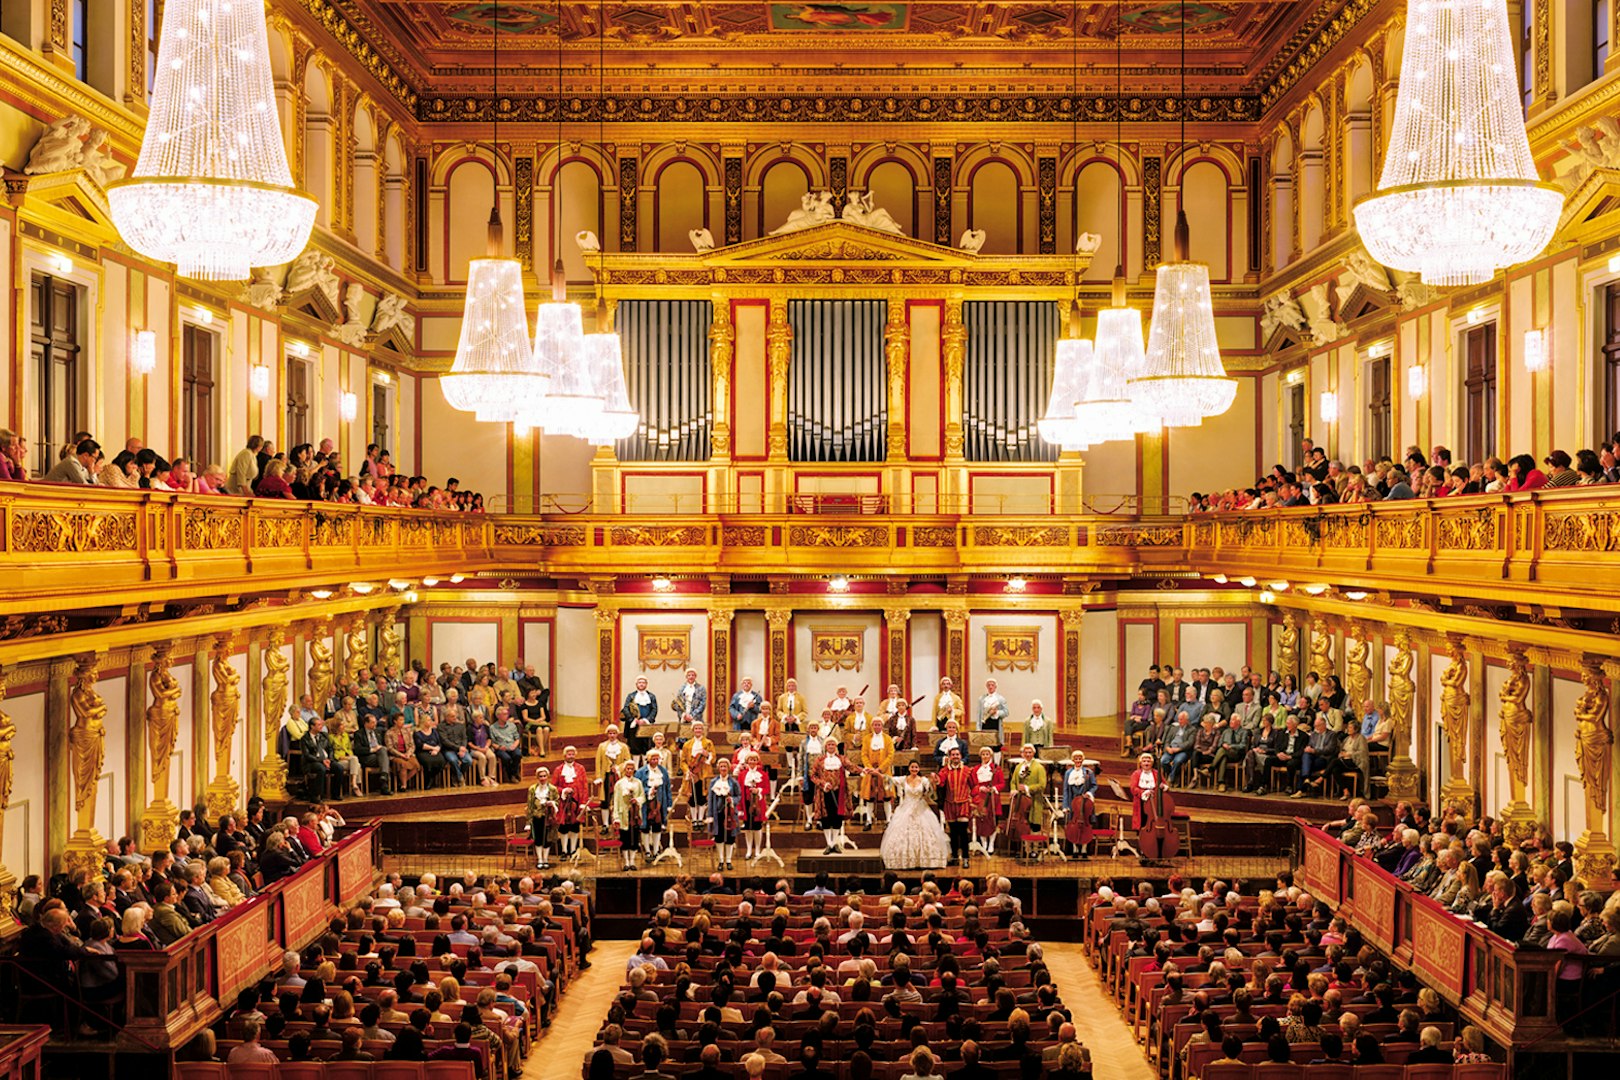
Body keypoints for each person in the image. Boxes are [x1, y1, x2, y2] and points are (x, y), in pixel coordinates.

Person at [882, 760, 951, 870]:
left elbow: (931, 790)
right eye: (912, 767)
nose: (914, 769)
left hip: (921, 807)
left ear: (919, 769)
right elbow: (889, 779)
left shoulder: (923, 780)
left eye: (916, 767)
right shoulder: (904, 779)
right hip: (906, 808)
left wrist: (933, 781)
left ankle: (926, 860)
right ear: (909, 768)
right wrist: (877, 773)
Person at [811, 734, 853, 854]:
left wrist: (864, 770)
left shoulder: (842, 759)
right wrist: (823, 784)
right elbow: (813, 776)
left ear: (836, 746)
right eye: (829, 744)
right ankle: (828, 844)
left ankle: (834, 843)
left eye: (833, 744)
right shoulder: (820, 760)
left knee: (837, 817)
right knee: (826, 818)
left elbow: (852, 767)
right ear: (826, 746)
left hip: (839, 792)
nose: (831, 746)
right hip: (824, 793)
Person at [939, 747, 975, 868]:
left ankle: (965, 858)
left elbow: (974, 786)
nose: (955, 756)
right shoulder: (944, 771)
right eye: (953, 754)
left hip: (963, 804)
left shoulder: (967, 770)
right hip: (949, 804)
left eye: (957, 754)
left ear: (961, 756)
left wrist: (974, 800)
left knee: (963, 833)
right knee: (953, 833)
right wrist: (935, 780)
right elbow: (940, 783)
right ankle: (954, 857)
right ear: (949, 757)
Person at [706, 756, 743, 870]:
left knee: (730, 837)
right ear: (718, 768)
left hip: (730, 813)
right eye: (721, 766)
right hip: (718, 813)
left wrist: (732, 800)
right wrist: (710, 815)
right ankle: (721, 860)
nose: (723, 768)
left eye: (725, 766)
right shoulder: (714, 782)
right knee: (719, 836)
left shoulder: (733, 782)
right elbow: (710, 799)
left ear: (728, 768)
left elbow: (739, 796)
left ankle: (729, 860)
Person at [1061, 751, 1097, 857]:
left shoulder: (1089, 772)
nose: (1078, 761)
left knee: (1085, 823)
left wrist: (1089, 793)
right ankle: (1075, 848)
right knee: (1074, 825)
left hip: (1085, 802)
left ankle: (1084, 848)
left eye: (1080, 758)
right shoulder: (1068, 773)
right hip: (1073, 802)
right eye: (1076, 758)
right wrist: (1065, 805)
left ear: (1083, 759)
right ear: (1073, 760)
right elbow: (1066, 790)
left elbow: (1094, 785)